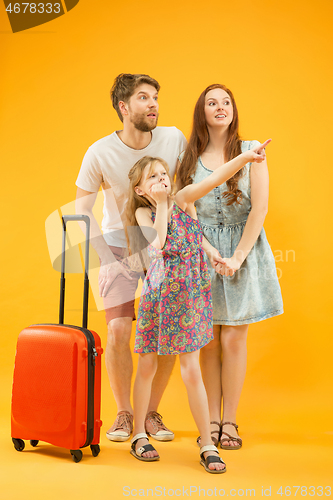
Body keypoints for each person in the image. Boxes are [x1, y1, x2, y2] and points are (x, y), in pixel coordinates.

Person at [126, 142, 269, 472]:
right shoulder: (144, 212)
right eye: (153, 177)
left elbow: (214, 181)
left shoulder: (182, 200)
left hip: (191, 297)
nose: (162, 179)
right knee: (147, 365)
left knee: (191, 371)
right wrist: (161, 204)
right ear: (140, 189)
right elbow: (159, 242)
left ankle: (206, 443)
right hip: (159, 299)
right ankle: (138, 434)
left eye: (164, 174)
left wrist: (211, 253)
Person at [75, 73, 187, 442]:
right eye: (143, 97)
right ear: (123, 107)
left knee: (166, 337)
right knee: (119, 330)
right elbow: (82, 210)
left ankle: (150, 413)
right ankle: (124, 413)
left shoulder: (173, 138)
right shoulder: (99, 151)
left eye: (155, 96)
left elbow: (187, 191)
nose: (153, 103)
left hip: (164, 246)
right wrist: (105, 259)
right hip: (118, 246)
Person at [177, 84, 283, 450]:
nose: (220, 107)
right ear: (201, 111)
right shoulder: (188, 157)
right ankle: (209, 420)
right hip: (202, 253)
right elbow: (184, 212)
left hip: (245, 250)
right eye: (212, 102)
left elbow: (260, 209)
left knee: (234, 337)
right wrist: (207, 251)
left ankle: (230, 422)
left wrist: (237, 256)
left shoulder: (251, 150)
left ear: (233, 110)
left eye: (226, 102)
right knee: (207, 342)